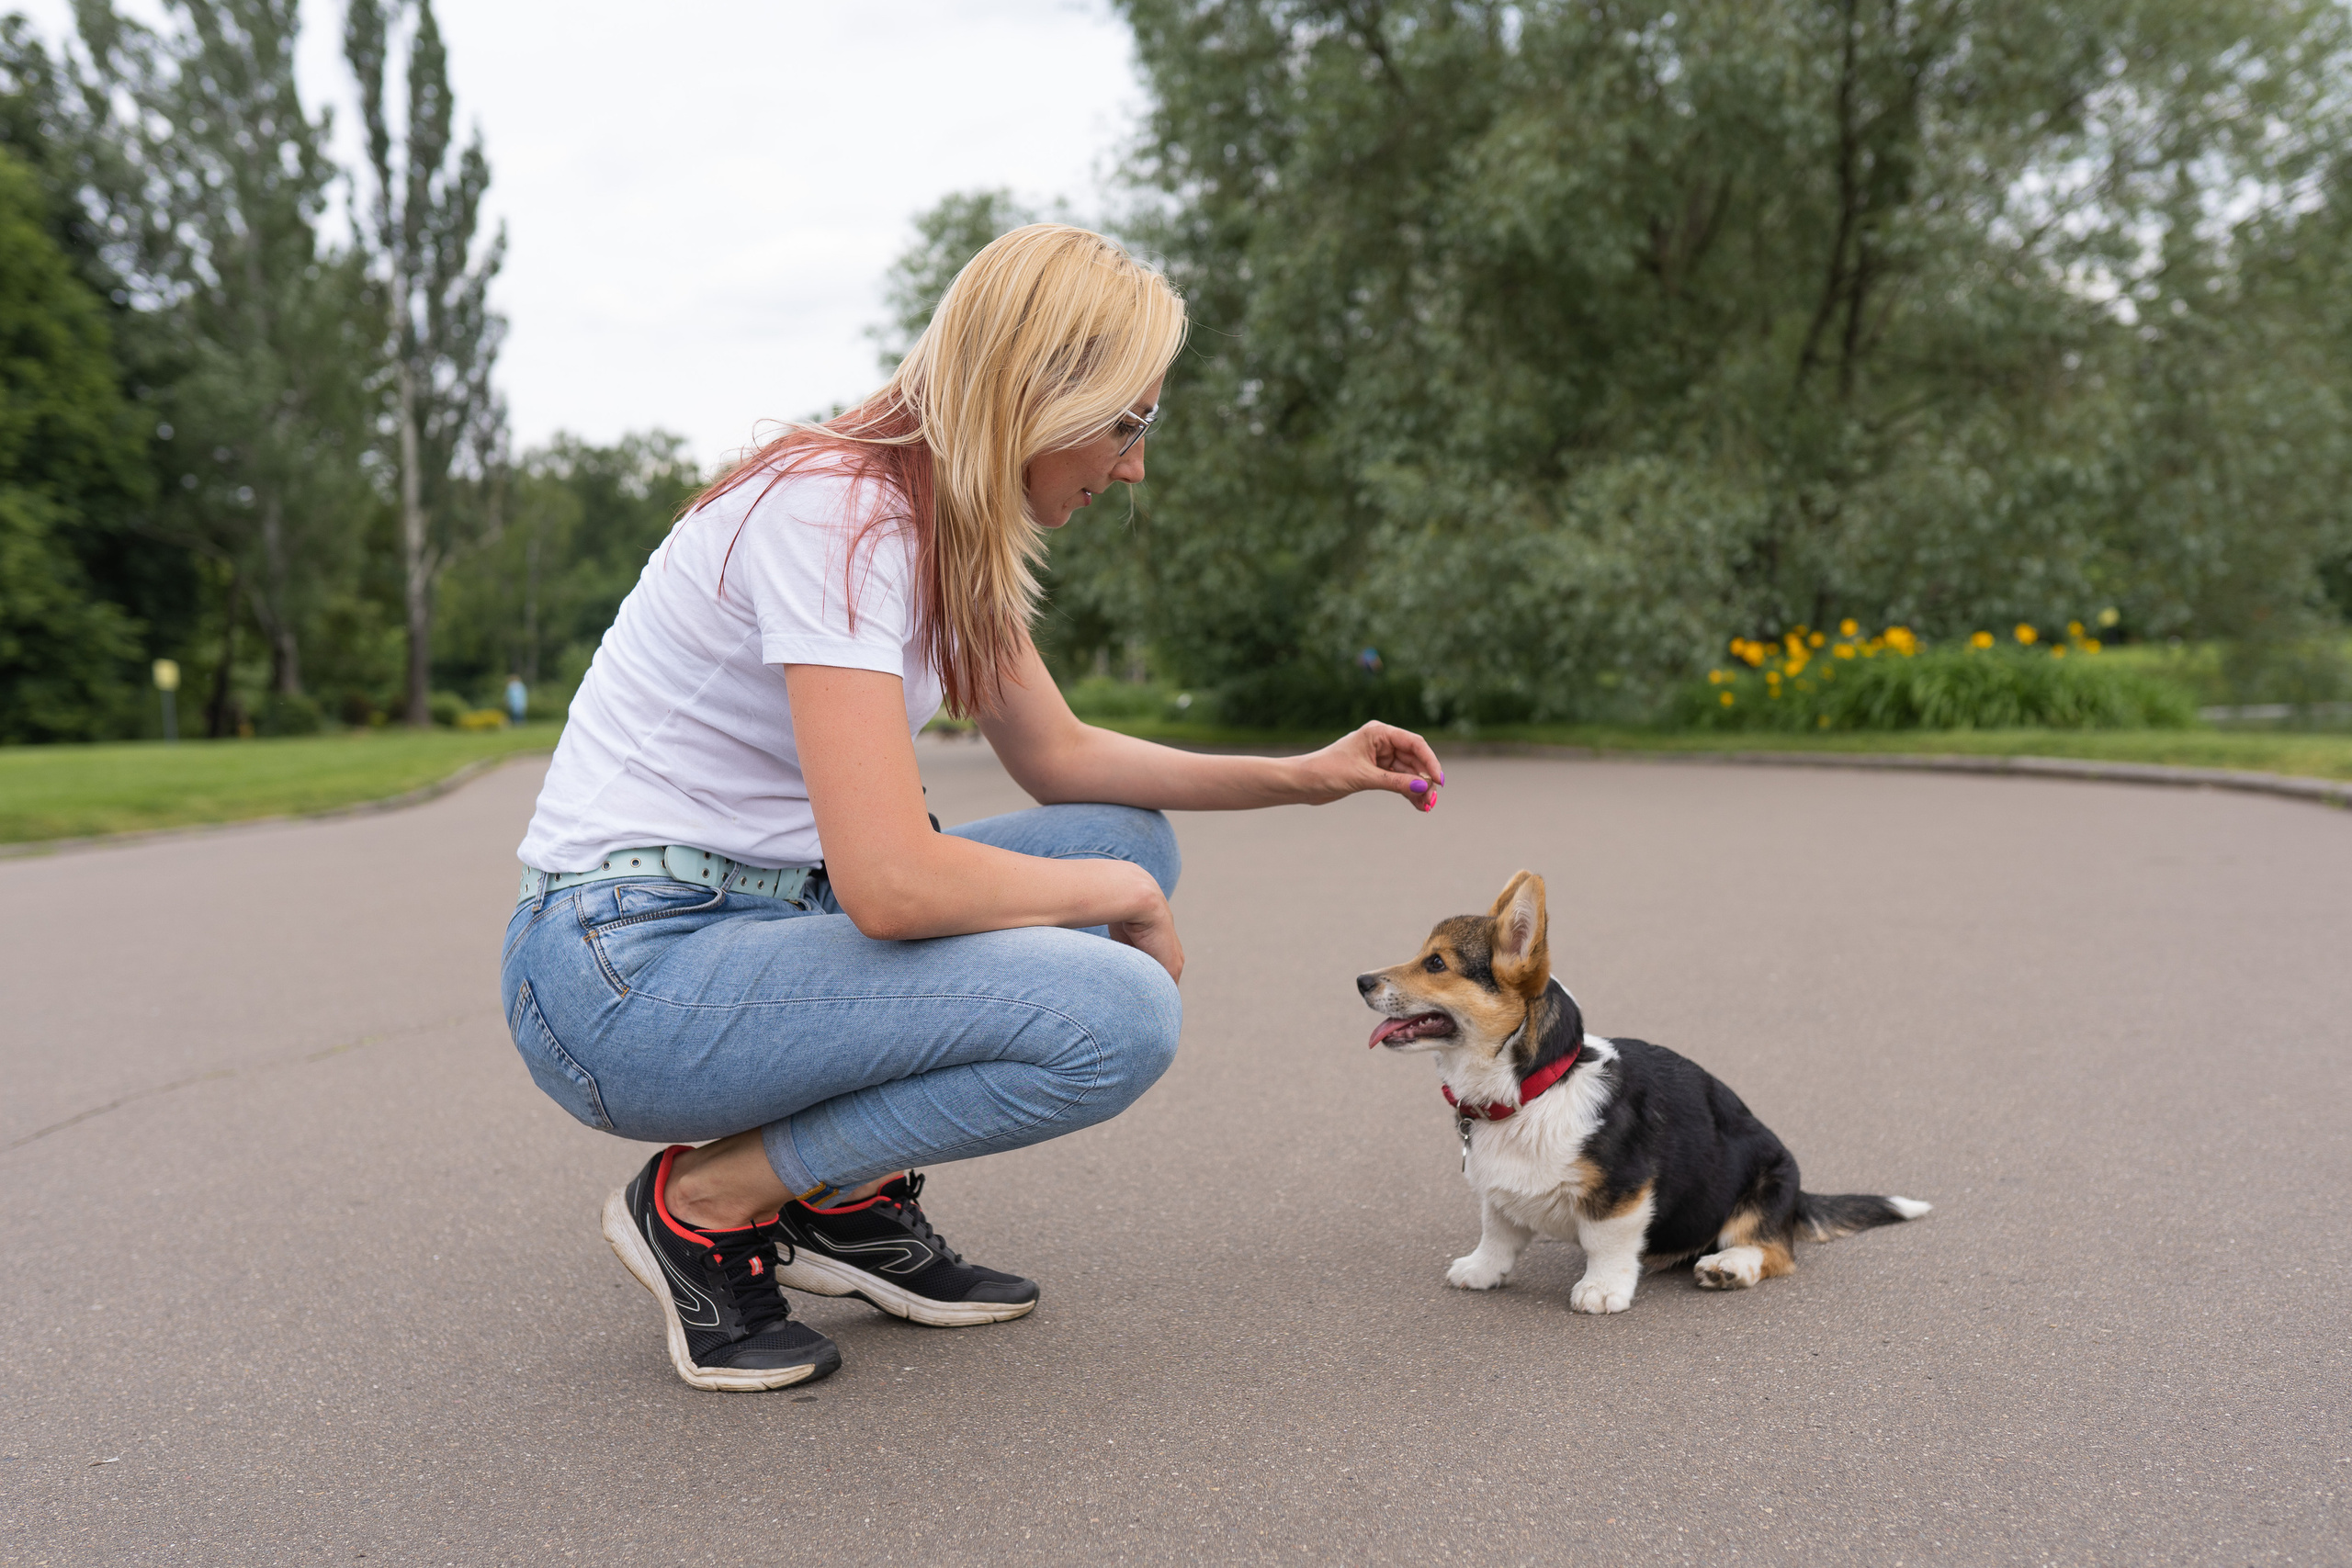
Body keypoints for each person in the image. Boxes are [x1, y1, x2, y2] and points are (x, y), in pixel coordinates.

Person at [500, 225, 1445, 1393]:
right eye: (1129, 422)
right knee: (1121, 1015)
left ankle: (841, 1199)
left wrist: (1308, 773)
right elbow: (892, 887)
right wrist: (1124, 899)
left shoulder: (938, 525)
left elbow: (1062, 758)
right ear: (1041, 391)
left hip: (756, 924)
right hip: (620, 977)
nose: (1134, 466)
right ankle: (705, 1203)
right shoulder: (834, 513)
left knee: (1117, 835)